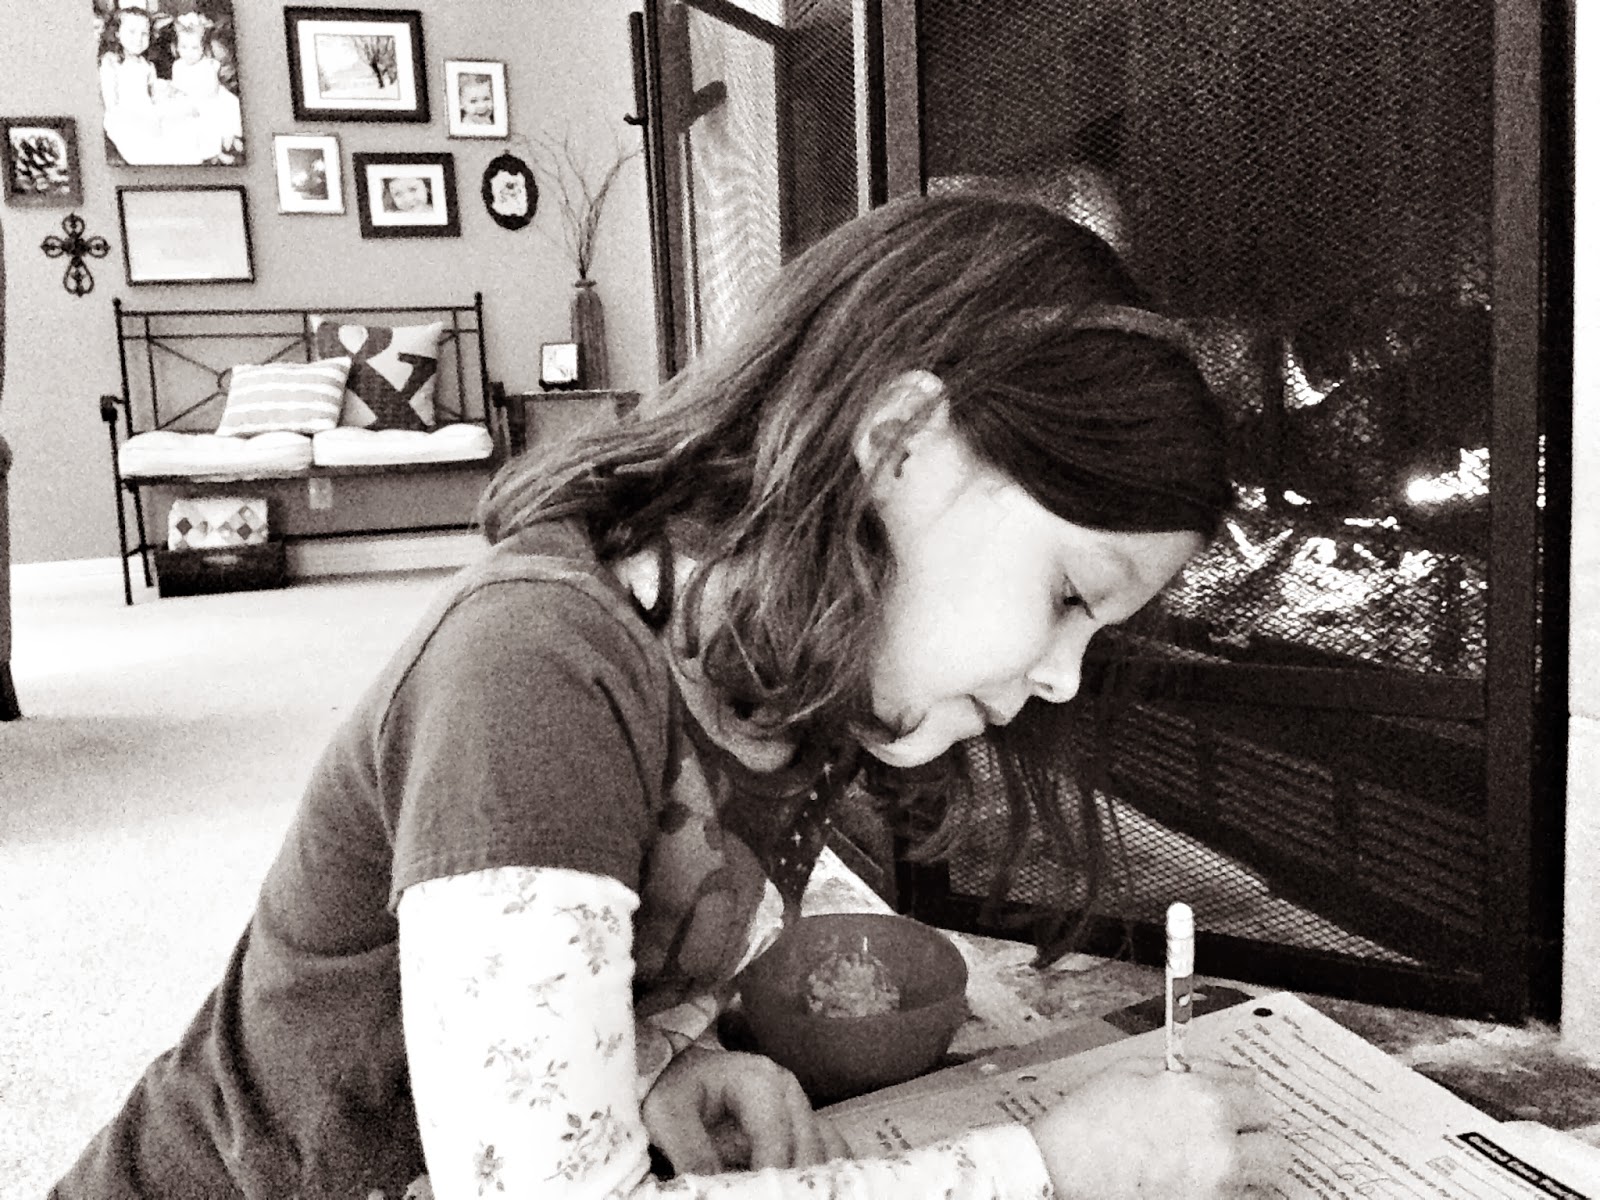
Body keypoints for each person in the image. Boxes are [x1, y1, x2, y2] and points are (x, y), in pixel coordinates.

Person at [52, 193, 1285, 1200]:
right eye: (1070, 593)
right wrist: (1046, 1170)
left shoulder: (804, 697)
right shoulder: (536, 673)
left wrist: (649, 1064)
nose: (1064, 675)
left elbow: (590, 975)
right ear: (901, 442)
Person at [161, 10, 243, 164]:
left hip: (209, 97)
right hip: (189, 99)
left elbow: (212, 90)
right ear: (176, 48)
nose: (189, 53)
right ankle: (214, 152)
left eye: (194, 48)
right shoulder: (178, 65)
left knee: (228, 107)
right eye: (184, 47)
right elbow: (177, 86)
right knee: (196, 122)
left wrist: (200, 99)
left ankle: (231, 137)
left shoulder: (208, 65)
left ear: (203, 48)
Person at [98, 5, 164, 165]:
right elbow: (111, 104)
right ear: (117, 33)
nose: (138, 39)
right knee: (142, 149)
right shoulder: (111, 61)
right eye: (132, 32)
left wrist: (158, 114)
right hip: (122, 116)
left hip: (146, 112)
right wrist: (136, 120)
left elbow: (155, 96)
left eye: (144, 33)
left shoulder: (148, 65)